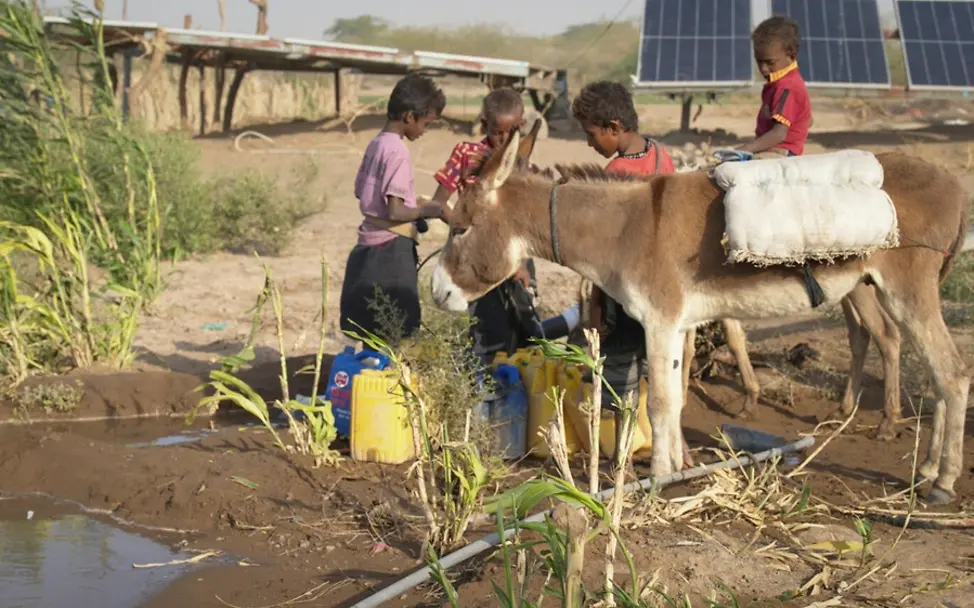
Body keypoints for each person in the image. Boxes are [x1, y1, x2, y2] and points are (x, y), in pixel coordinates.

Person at [570, 80, 676, 410]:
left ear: (613, 127)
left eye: (591, 134)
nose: (589, 143)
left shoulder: (614, 173)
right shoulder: (661, 155)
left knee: (618, 383)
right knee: (658, 372)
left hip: (625, 292)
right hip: (661, 284)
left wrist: (597, 311)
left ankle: (621, 455)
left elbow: (604, 254)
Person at [430, 88, 539, 362]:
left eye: (511, 132)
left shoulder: (521, 162)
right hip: (476, 258)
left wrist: (522, 265)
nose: (502, 139)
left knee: (524, 330)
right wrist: (465, 228)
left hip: (515, 260)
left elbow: (523, 223)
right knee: (486, 331)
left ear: (522, 125)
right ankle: (485, 393)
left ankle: (515, 392)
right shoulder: (467, 153)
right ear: (485, 124)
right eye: (496, 131)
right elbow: (439, 201)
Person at [339, 73, 447, 345]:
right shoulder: (398, 151)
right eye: (426, 123)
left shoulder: (376, 143)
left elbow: (360, 192)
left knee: (370, 330)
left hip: (367, 247)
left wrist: (412, 204)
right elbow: (396, 212)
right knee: (396, 331)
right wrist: (427, 211)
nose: (424, 131)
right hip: (391, 252)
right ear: (410, 117)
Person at [735, 16, 811, 159]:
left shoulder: (786, 87)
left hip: (780, 152)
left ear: (791, 55)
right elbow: (808, 119)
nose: (763, 69)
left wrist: (747, 148)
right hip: (774, 148)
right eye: (759, 62)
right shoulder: (781, 82)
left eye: (770, 62)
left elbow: (779, 133)